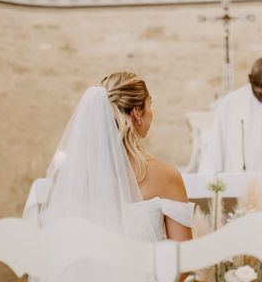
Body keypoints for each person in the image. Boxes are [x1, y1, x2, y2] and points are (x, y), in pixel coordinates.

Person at [28, 72, 193, 281]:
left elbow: (56, 254)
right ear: (136, 113)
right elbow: (183, 260)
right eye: (150, 104)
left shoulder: (69, 174)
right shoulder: (166, 176)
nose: (152, 113)